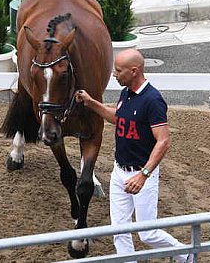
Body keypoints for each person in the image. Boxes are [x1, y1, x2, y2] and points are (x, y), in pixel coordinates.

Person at [75, 48, 191, 263]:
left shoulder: (153, 100)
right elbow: (119, 119)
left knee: (147, 233)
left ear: (134, 71)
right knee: (119, 230)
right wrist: (92, 103)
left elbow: (163, 140)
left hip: (141, 175)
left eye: (118, 70)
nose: (113, 74)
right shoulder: (126, 92)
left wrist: (143, 174)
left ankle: (185, 254)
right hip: (120, 172)